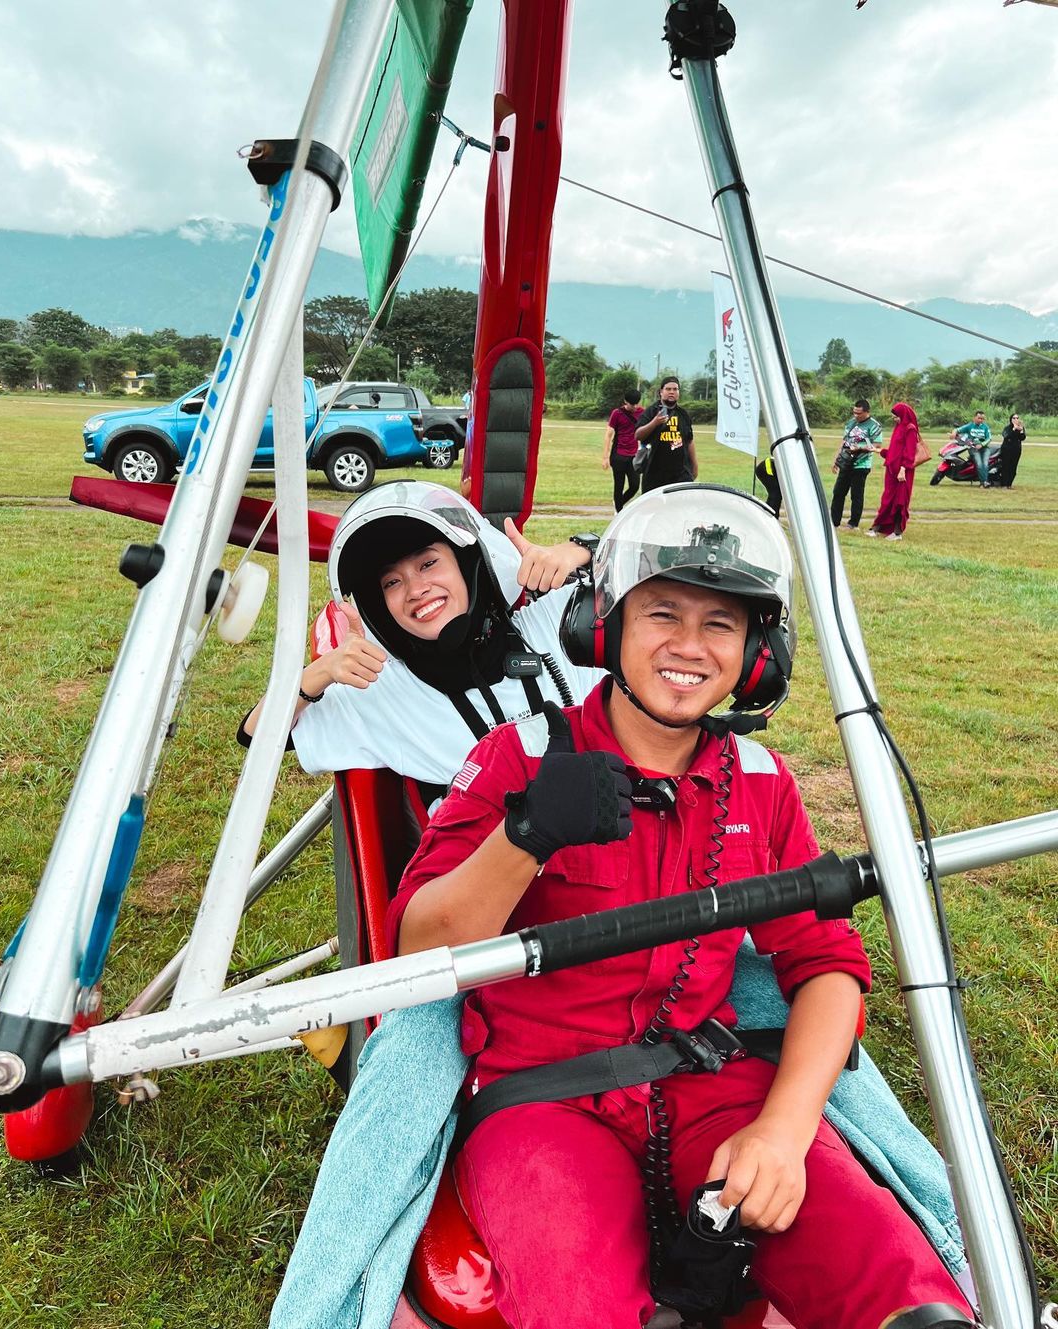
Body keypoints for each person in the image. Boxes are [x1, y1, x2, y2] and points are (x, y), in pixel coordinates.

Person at [389, 485, 973, 1329]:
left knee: (909, 1296)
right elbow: (419, 949)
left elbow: (829, 967)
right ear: (607, 625)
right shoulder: (517, 756)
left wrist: (782, 1128)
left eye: (722, 625)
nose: (689, 647)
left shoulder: (765, 784)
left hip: (720, 1086)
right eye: (662, 613)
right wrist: (527, 835)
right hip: (540, 1104)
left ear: (756, 655)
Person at [240, 481, 602, 789]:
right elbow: (256, 735)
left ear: (468, 567)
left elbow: (654, 569)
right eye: (392, 582)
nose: (416, 589)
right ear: (380, 610)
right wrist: (320, 673)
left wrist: (584, 551)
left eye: (428, 563)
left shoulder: (556, 624)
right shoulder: (383, 694)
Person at [867, 402, 921, 541]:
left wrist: (903, 469)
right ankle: (878, 527)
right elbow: (895, 450)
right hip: (892, 470)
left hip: (903, 472)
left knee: (900, 500)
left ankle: (897, 532)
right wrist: (880, 451)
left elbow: (909, 452)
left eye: (896, 417)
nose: (894, 419)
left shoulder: (910, 429)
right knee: (887, 499)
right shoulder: (898, 427)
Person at [634, 375, 696, 493]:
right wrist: (654, 422)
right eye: (668, 389)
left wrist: (694, 466)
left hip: (680, 473)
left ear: (679, 392)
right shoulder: (651, 411)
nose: (671, 392)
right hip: (655, 473)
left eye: (675, 389)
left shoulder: (683, 414)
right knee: (655, 509)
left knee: (680, 508)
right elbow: (638, 435)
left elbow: (689, 440)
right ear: (661, 392)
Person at [830, 398, 882, 530]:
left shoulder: (874, 425)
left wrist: (859, 447)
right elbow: (844, 442)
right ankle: (834, 522)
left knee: (856, 495)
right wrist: (837, 459)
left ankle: (853, 524)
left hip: (861, 465)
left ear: (867, 412)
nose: (856, 415)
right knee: (838, 492)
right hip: (846, 463)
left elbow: (877, 445)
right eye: (854, 412)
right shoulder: (851, 423)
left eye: (859, 413)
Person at [602, 387, 643, 512]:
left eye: (637, 403)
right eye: (632, 404)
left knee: (635, 485)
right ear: (626, 401)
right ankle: (618, 512)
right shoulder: (617, 413)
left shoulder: (642, 412)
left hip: (634, 455)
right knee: (618, 485)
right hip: (618, 455)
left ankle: (619, 503)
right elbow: (609, 434)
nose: (635, 406)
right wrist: (605, 457)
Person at [950, 410, 993, 488]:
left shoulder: (985, 427)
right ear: (974, 418)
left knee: (985, 464)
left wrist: (982, 444)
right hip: (973, 449)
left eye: (982, 419)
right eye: (979, 418)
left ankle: (984, 482)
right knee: (979, 464)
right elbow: (957, 430)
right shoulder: (969, 426)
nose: (981, 420)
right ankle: (983, 482)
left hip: (984, 448)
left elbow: (989, 438)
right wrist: (953, 433)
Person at [998, 412, 1026, 489]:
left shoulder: (1020, 428)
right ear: (1011, 419)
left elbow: (1022, 438)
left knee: (1013, 468)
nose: (1016, 420)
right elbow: (1006, 436)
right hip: (1007, 449)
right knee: (1006, 467)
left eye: (1017, 418)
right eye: (1014, 418)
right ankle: (1004, 484)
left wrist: (1021, 431)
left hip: (1016, 450)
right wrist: (1014, 429)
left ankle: (1009, 484)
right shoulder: (1007, 428)